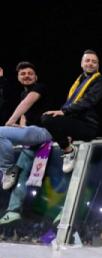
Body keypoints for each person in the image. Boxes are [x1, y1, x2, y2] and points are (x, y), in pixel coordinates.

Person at [42, 49, 102, 174]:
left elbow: (88, 101)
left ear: (98, 66)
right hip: (77, 122)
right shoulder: (80, 81)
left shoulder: (100, 81)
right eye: (87, 60)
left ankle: (69, 151)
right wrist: (63, 112)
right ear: (81, 63)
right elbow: (71, 102)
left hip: (89, 126)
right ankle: (67, 144)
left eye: (94, 62)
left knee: (49, 120)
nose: (90, 63)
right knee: (47, 117)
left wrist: (64, 111)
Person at [0, 62, 53, 190]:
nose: (26, 76)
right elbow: (24, 115)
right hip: (32, 133)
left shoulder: (40, 87)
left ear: (36, 77)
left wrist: (10, 122)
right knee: (22, 181)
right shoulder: (23, 94)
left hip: (45, 131)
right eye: (23, 74)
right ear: (18, 77)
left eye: (30, 73)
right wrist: (20, 128)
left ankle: (8, 169)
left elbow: (27, 103)